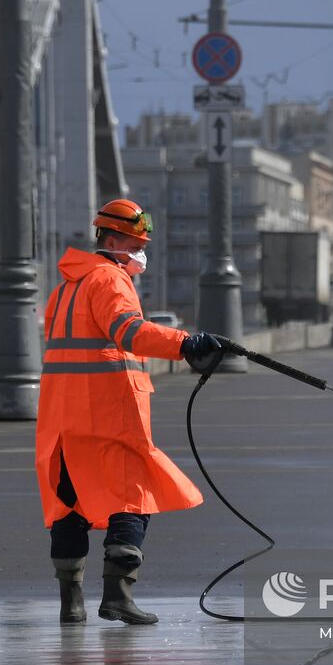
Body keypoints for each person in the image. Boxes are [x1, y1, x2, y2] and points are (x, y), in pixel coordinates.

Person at [36, 198, 224, 625]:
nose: (141, 249)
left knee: (70, 504)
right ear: (115, 238)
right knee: (132, 499)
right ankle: (118, 596)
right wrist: (185, 344)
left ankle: (72, 604)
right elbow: (129, 331)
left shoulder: (66, 287)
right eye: (137, 241)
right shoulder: (110, 280)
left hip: (62, 416)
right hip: (108, 410)